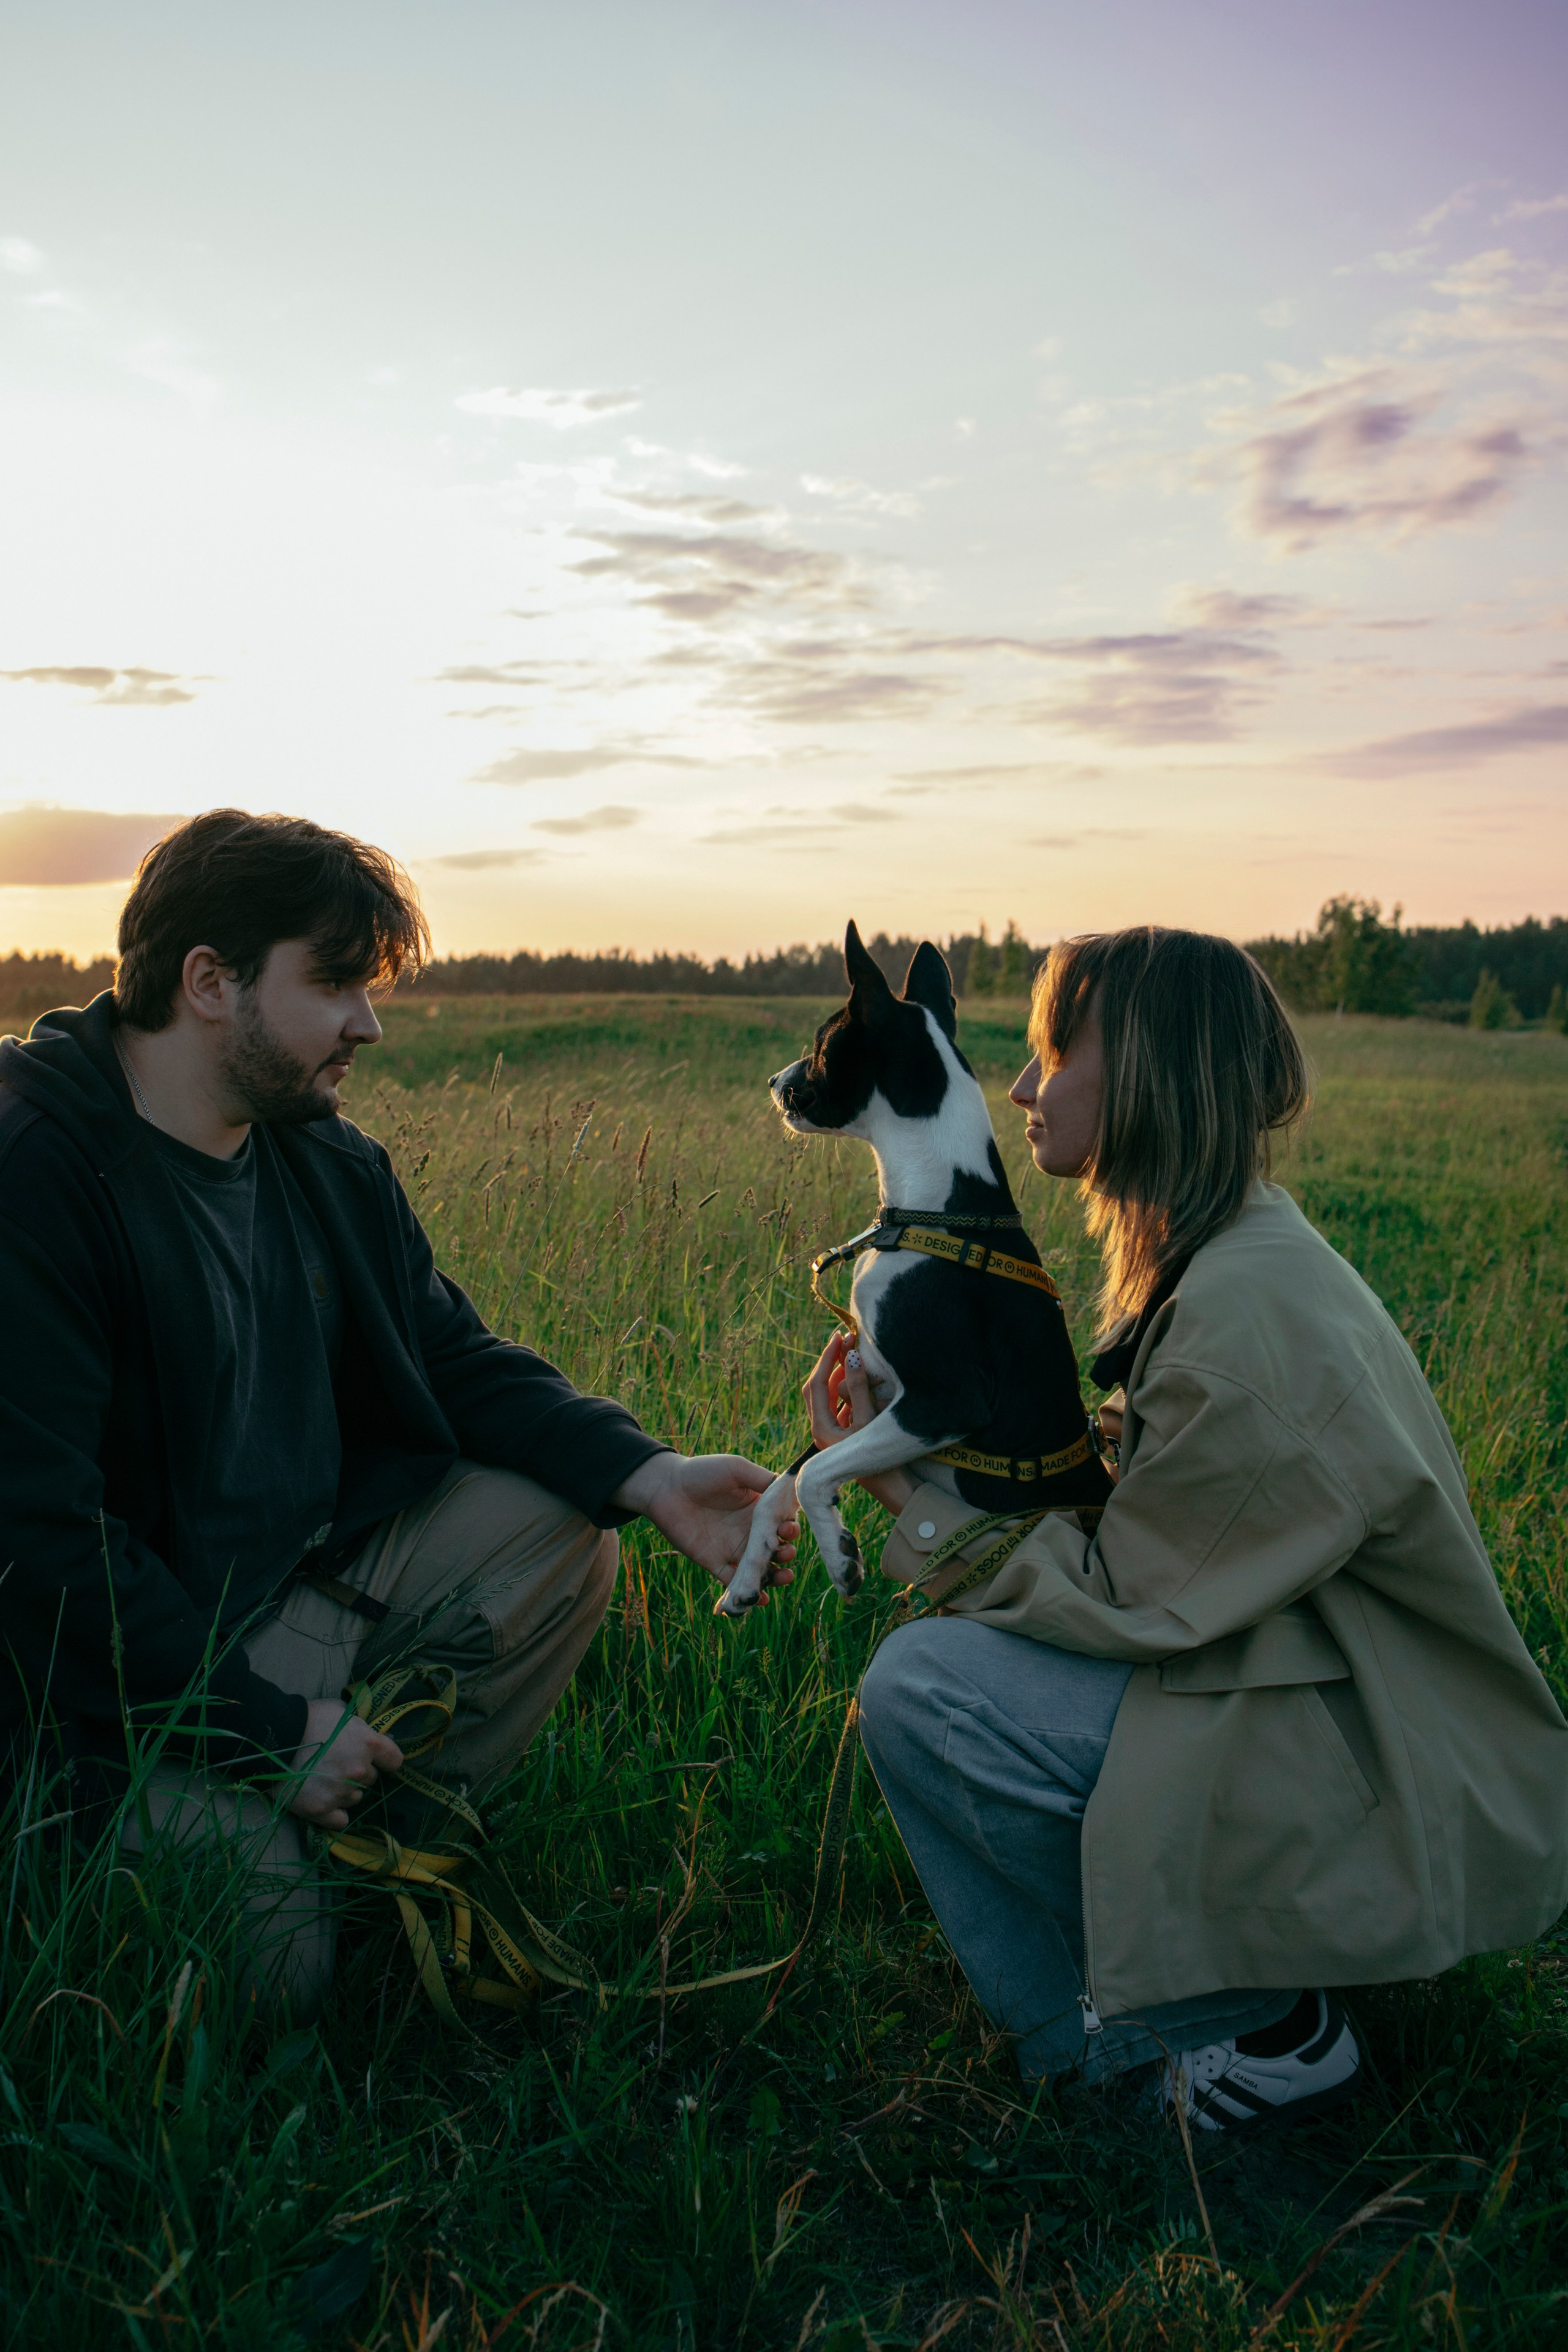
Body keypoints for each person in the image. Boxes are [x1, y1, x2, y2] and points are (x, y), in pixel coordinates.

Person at [0, 809, 794, 2015]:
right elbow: (38, 1547)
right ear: (208, 982)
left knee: (553, 1524)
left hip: (287, 1605)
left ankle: (379, 1837)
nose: (367, 1025)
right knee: (272, 1979)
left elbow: (450, 1357)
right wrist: (268, 1732)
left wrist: (644, 1474)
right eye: (333, 986)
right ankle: (230, 1849)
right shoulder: (37, 1176)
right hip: (89, 1700)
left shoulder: (323, 1159)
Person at [804, 925, 1568, 2132]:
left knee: (927, 1689)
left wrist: (915, 1501)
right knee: (944, 1682)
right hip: (1319, 1692)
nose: (1018, 1087)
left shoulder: (1240, 1316)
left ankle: (1251, 2031)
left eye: (1054, 1054)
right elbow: (1177, 1534)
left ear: (1151, 1076)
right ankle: (1101, 2060)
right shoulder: (1225, 1257)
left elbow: (1128, 1606)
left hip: (1367, 1752)